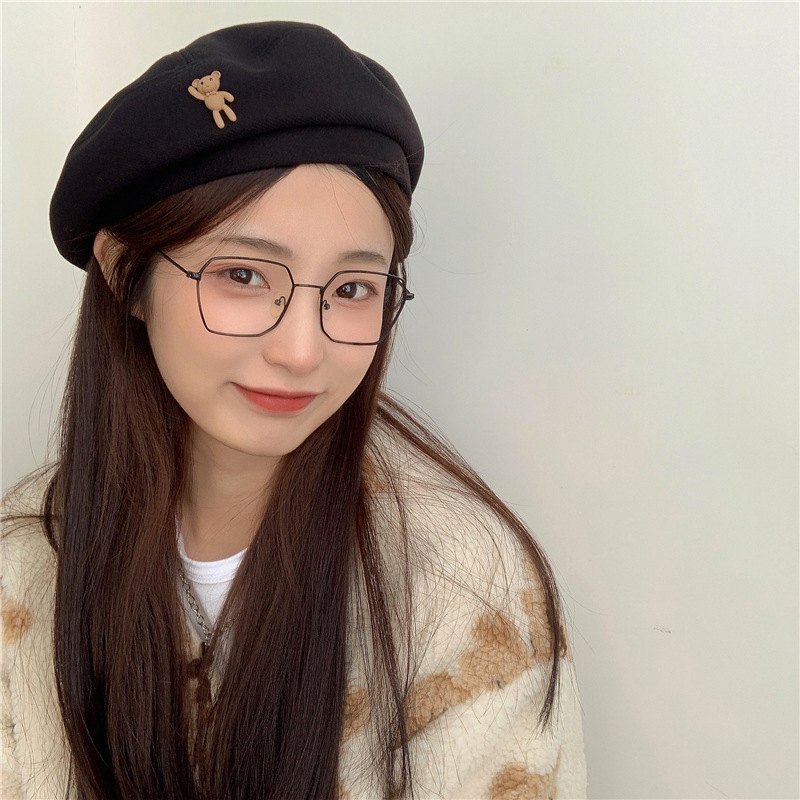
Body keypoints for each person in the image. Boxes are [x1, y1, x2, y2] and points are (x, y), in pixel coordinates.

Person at [1, 21, 586, 800]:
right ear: (125, 276)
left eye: (352, 289)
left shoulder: (464, 587)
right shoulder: (22, 566)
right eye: (244, 276)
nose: (303, 351)